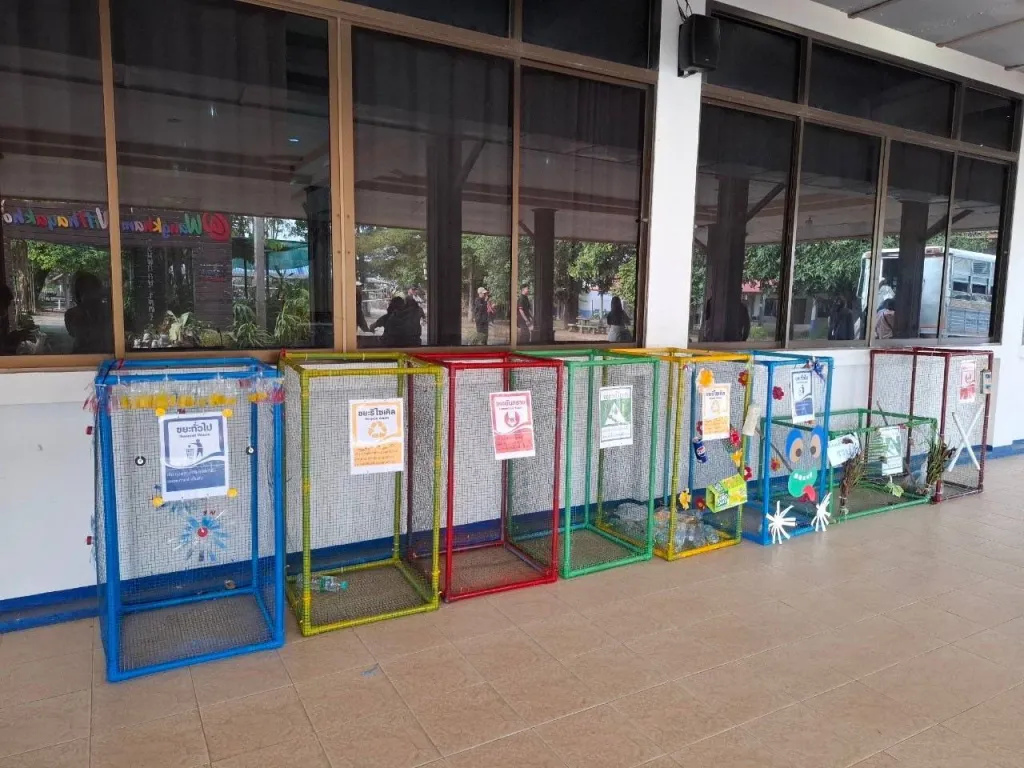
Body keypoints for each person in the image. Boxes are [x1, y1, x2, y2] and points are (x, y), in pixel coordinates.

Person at [64, 271, 110, 353]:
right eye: (86, 291)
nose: (90, 295)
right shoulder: (72, 314)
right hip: (81, 355)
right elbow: (74, 333)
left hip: (106, 355)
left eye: (92, 290)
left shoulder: (109, 310)